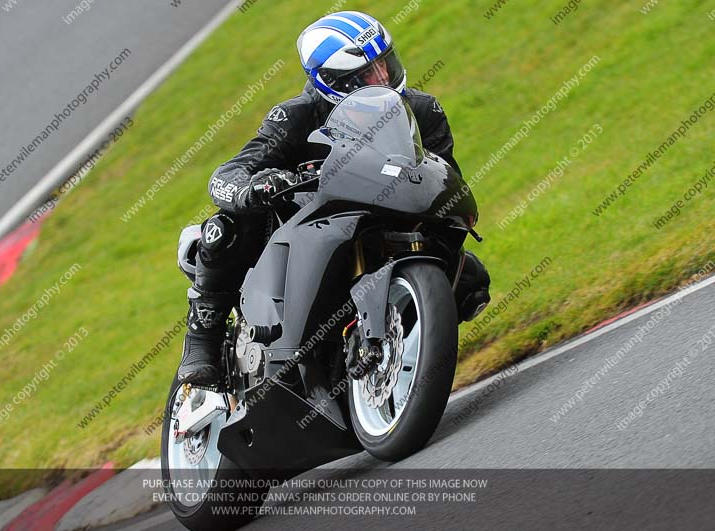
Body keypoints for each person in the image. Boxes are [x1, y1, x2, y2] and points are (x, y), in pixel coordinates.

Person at [178, 11, 490, 387]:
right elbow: (226, 177)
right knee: (224, 226)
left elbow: (444, 174)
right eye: (365, 76)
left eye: (385, 66)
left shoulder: (423, 110)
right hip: (307, 223)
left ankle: (403, 350)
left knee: (469, 278)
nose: (382, 80)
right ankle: (203, 339)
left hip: (386, 216)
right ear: (329, 81)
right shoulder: (295, 116)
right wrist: (253, 188)